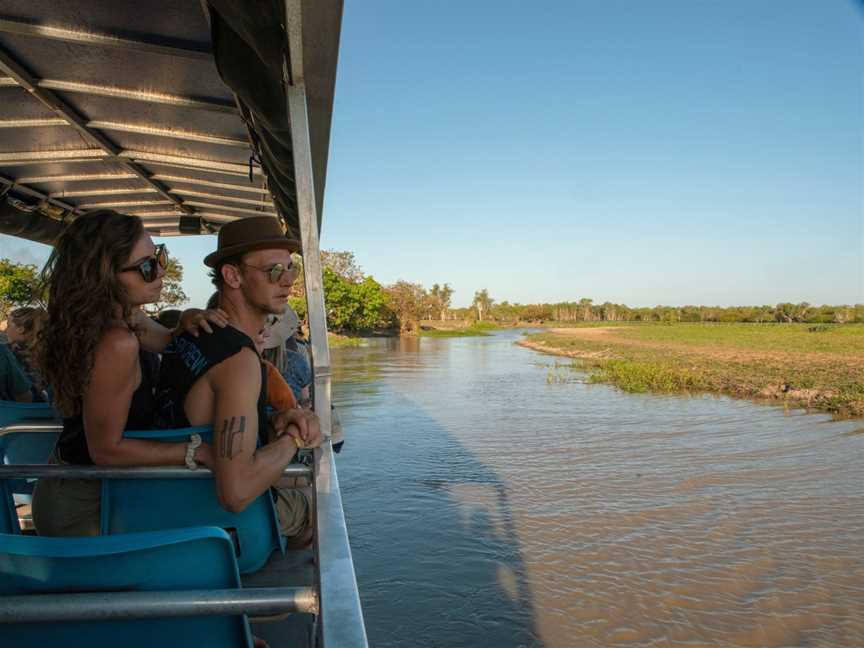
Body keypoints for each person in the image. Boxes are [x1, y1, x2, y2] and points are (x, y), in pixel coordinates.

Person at [32, 210, 227, 537]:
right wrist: (196, 451)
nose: (161, 272)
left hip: (91, 486)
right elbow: (105, 450)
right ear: (104, 275)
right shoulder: (116, 342)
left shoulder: (123, 319)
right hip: (85, 504)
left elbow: (166, 338)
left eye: (159, 257)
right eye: (147, 267)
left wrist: (189, 318)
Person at [156, 216, 322, 548]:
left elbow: (205, 414)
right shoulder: (240, 361)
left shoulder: (190, 334)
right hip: (223, 525)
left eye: (291, 269)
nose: (288, 281)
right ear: (232, 275)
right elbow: (236, 492)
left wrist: (276, 418)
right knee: (319, 505)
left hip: (169, 501)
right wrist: (294, 437)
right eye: (274, 271)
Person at [6, 306, 48, 401]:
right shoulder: (45, 350)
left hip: (22, 408)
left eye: (8, 325)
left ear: (21, 329)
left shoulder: (9, 353)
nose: (5, 330)